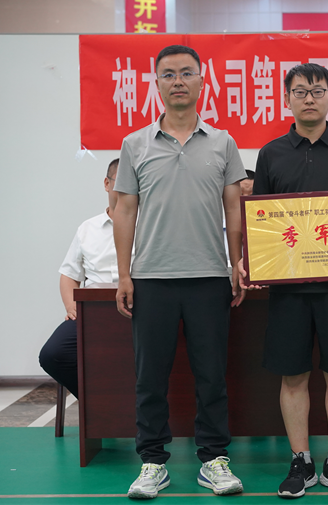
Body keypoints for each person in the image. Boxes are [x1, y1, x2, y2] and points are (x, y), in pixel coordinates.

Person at [113, 45, 247, 499]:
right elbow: (125, 210)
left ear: (202, 81)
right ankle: (152, 462)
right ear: (156, 83)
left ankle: (214, 460)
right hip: (152, 277)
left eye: (187, 73)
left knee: (212, 375)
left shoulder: (223, 142)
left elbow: (233, 207)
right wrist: (125, 274)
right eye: (168, 74)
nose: (178, 81)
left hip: (209, 276)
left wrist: (235, 263)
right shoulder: (135, 144)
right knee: (150, 377)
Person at [243, 63, 328, 499]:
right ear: (287, 99)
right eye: (300, 91)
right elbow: (261, 217)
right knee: (293, 376)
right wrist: (254, 262)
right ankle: (300, 461)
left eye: (317, 91)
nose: (309, 98)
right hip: (288, 288)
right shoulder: (271, 154)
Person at [39, 158, 123, 399]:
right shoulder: (88, 229)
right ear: (107, 184)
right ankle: (100, 404)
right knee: (53, 354)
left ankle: (134, 406)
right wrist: (71, 307)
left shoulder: (153, 226)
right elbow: (69, 275)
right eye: (121, 182)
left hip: (140, 310)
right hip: (94, 312)